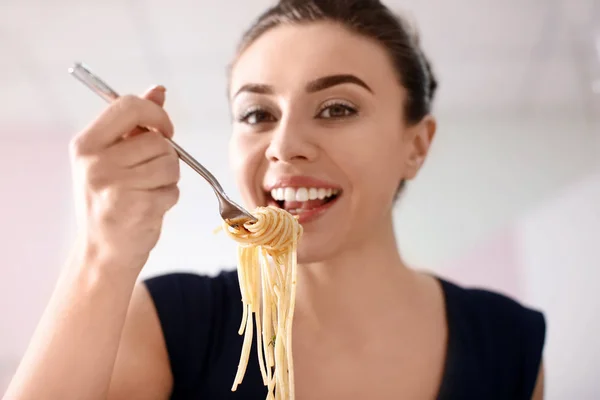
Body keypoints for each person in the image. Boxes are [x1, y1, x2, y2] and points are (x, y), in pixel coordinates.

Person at [4, 0, 545, 399]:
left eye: (337, 108)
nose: (283, 148)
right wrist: (101, 255)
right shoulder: (170, 324)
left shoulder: (509, 340)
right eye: (257, 115)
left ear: (416, 144)